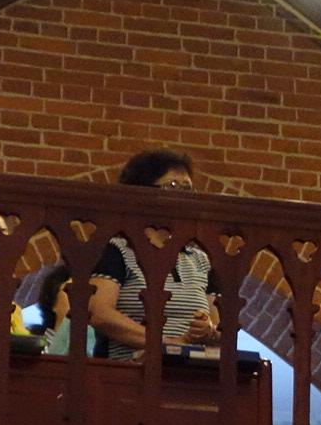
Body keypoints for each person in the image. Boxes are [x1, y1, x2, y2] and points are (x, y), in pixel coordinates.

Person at [86, 149, 222, 358]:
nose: (183, 197)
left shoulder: (199, 260)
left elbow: (220, 328)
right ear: (142, 193)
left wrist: (208, 331)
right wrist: (167, 345)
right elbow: (100, 313)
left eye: (188, 189)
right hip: (131, 368)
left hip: (191, 370)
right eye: (172, 186)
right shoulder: (118, 251)